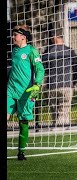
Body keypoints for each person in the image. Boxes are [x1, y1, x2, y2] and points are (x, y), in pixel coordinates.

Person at [7, 24, 45, 160]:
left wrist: (37, 84)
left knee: (23, 122)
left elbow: (40, 69)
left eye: (15, 34)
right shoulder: (14, 51)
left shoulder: (32, 51)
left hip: (26, 92)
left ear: (23, 37)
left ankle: (21, 152)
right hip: (10, 90)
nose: (13, 37)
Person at [42, 28, 77, 129]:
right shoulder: (69, 51)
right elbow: (75, 68)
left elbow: (44, 68)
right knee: (64, 109)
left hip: (52, 85)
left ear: (54, 38)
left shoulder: (48, 52)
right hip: (66, 85)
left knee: (54, 109)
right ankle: (63, 126)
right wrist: (73, 82)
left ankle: (55, 125)